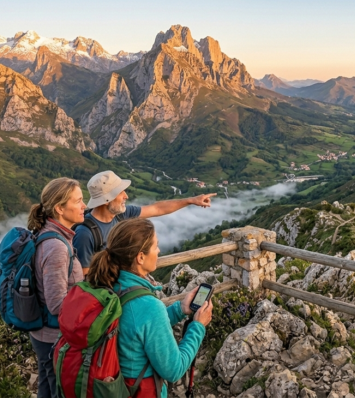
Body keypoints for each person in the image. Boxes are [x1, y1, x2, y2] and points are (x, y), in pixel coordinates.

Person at [87, 218, 212, 397]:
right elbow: (174, 370)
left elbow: (138, 327)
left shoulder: (105, 284)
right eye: (156, 246)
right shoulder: (148, 306)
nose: (159, 251)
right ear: (140, 257)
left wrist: (179, 309)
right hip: (138, 391)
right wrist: (198, 327)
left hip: (110, 384)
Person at [74, 170, 216, 275]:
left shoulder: (121, 215)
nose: (126, 196)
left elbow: (157, 208)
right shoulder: (85, 234)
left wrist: (191, 200)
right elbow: (86, 276)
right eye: (120, 192)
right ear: (107, 200)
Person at [27, 177, 86, 398]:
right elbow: (56, 304)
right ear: (60, 208)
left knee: (46, 388)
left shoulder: (55, 235)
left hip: (46, 337)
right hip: (54, 339)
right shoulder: (56, 247)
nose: (84, 206)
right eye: (78, 201)